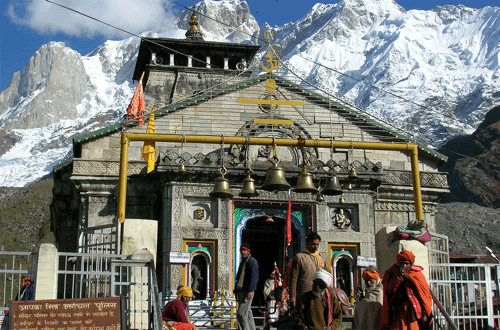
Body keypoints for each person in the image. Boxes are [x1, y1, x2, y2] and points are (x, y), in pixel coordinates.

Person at [380, 250, 433, 330]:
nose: (404, 266)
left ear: (411, 264)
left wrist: (425, 313)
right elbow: (389, 290)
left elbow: (424, 296)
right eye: (402, 263)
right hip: (397, 313)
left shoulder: (417, 275)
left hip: (413, 313)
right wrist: (399, 277)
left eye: (406, 263)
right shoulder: (392, 273)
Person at [289, 232, 326, 307]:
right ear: (307, 243)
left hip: (319, 296)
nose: (315, 247)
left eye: (317, 245)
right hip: (304, 296)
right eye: (313, 244)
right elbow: (293, 279)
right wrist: (293, 297)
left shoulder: (320, 259)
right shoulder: (299, 257)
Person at [234, 242, 259, 330]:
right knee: (247, 313)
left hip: (247, 291)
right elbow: (239, 277)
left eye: (244, 250)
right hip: (242, 290)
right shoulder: (243, 262)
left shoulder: (252, 261)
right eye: (242, 250)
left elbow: (254, 277)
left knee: (241, 314)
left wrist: (250, 290)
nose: (243, 252)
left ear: (248, 251)